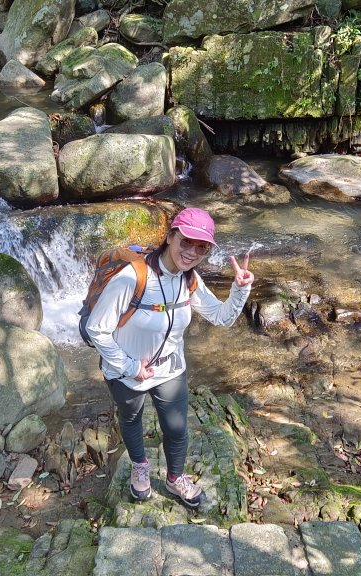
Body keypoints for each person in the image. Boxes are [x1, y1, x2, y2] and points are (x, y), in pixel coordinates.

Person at [84, 207, 254, 508]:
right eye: (185, 241)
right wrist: (130, 366)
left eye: (201, 247)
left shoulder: (190, 279)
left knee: (177, 429)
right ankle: (139, 466)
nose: (191, 252)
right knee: (131, 418)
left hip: (170, 369)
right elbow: (96, 329)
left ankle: (175, 479)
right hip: (125, 370)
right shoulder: (131, 277)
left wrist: (240, 290)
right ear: (170, 236)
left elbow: (220, 317)